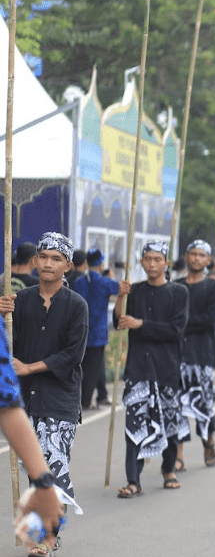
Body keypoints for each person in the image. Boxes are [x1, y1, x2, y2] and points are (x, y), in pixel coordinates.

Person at [0, 232, 87, 555]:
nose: (48, 263)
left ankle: (45, 537)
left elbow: (73, 354)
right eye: (44, 257)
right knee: (36, 469)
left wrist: (30, 367)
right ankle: (42, 532)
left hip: (60, 398)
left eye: (56, 258)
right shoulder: (19, 302)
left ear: (67, 265)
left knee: (54, 464)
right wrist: (1, 315)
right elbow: (8, 346)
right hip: (26, 399)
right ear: (35, 261)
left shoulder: (77, 305)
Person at [114, 240, 189, 498]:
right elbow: (119, 321)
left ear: (166, 263)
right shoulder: (134, 291)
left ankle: (169, 469)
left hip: (166, 367)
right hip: (138, 367)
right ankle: (133, 480)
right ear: (141, 262)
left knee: (168, 421)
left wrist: (141, 324)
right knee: (134, 423)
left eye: (158, 259)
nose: (152, 264)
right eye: (148, 259)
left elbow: (176, 330)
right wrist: (121, 296)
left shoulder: (179, 292)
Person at [0, 323, 69, 553]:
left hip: (58, 400)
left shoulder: (76, 307)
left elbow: (7, 403)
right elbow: (8, 405)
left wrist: (43, 483)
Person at [175, 240, 215, 470]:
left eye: (201, 255)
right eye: (193, 254)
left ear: (208, 260)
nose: (196, 258)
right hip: (176, 354)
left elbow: (209, 320)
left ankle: (208, 441)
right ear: (187, 256)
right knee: (176, 406)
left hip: (202, 354)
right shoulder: (175, 286)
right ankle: (178, 454)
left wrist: (180, 325)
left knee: (204, 403)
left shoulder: (213, 287)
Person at [72, 249, 119, 410]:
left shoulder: (79, 282)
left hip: (81, 330)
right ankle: (85, 401)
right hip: (98, 333)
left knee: (84, 366)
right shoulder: (105, 282)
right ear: (101, 264)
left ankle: (98, 396)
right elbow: (121, 289)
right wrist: (112, 277)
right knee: (93, 369)